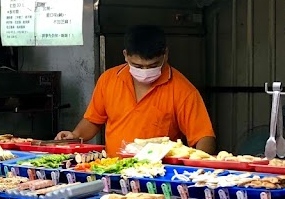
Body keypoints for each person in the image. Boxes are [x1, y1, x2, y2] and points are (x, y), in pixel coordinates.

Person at [56, 24, 217, 156]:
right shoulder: (109, 79)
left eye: (153, 65)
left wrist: (199, 164)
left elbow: (204, 136)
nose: (145, 71)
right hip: (114, 170)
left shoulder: (183, 90)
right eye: (138, 66)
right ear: (126, 55)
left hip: (157, 175)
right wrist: (75, 136)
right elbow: (93, 120)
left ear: (165, 54)